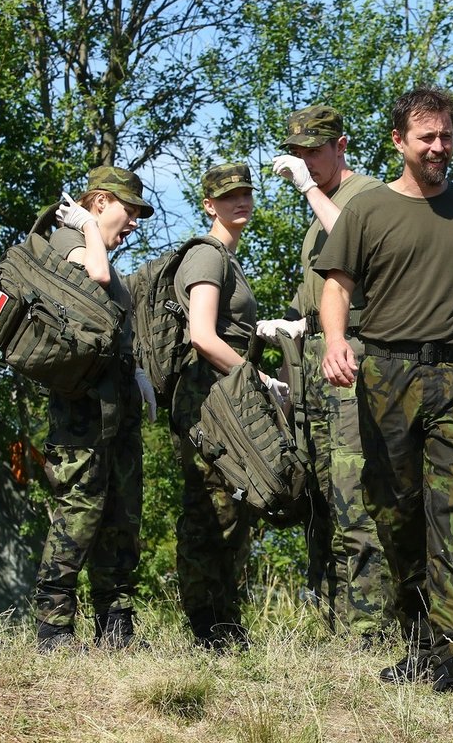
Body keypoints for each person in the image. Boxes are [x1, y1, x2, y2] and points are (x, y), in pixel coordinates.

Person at [316, 86, 453, 693]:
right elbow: (337, 287)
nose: (439, 147)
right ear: (399, 142)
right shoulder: (367, 211)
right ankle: (422, 640)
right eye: (426, 137)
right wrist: (336, 342)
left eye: (446, 136)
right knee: (396, 512)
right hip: (386, 374)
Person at [258, 105, 391, 638]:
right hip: (315, 358)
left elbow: (363, 250)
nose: (304, 162)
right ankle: (333, 618)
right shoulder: (323, 207)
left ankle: (370, 626)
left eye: (313, 150)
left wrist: (309, 191)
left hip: (354, 355)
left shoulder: (368, 196)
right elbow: (315, 288)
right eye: (297, 152)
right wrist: (289, 325)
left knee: (354, 490)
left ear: (341, 145)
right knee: (318, 492)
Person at [34, 165, 156, 651]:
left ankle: (116, 625)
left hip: (117, 401)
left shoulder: (99, 245)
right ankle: (53, 626)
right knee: (78, 510)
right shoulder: (70, 240)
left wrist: (140, 375)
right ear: (100, 201)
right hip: (81, 407)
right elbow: (97, 274)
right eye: (128, 211)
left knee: (121, 513)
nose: (134, 223)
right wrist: (85, 223)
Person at [171, 162, 281, 650]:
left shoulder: (228, 259)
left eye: (246, 193)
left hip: (223, 396)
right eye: (228, 196)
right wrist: (256, 377)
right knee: (211, 510)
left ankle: (223, 621)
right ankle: (207, 625)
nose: (241, 201)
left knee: (234, 508)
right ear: (208, 205)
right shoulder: (208, 256)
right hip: (208, 402)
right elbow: (201, 335)